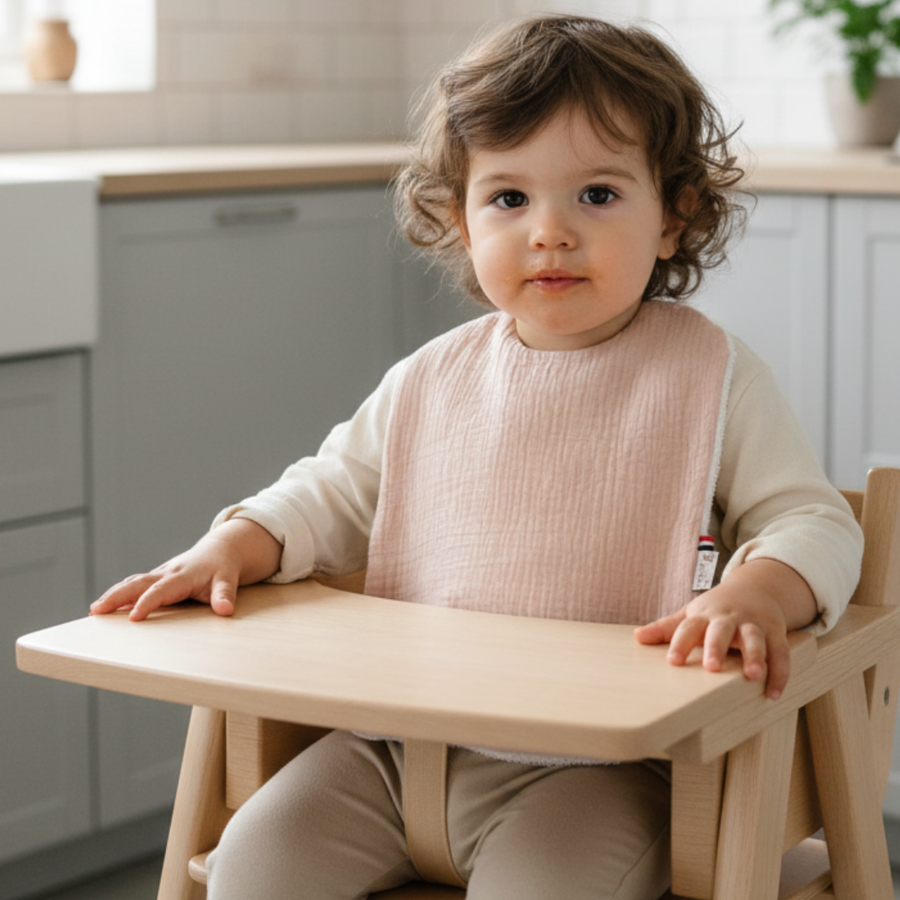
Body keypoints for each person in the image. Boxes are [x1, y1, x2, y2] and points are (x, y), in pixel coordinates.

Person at [91, 15, 863, 900]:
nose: (550, 232)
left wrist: (759, 589)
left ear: (673, 216)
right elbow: (332, 493)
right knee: (252, 866)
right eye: (509, 199)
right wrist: (236, 544)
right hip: (388, 751)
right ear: (459, 221)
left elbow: (814, 521)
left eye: (598, 195)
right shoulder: (431, 378)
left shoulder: (711, 375)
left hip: (603, 769)